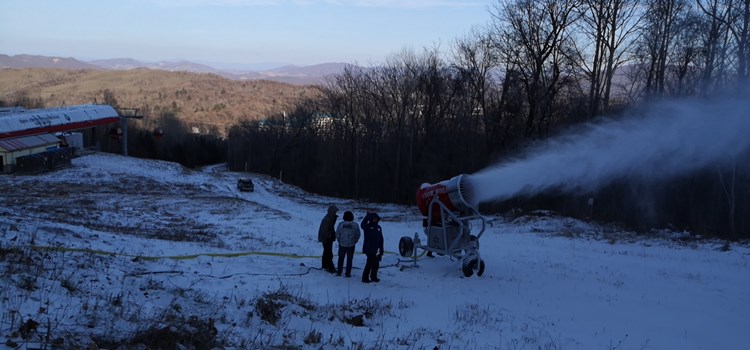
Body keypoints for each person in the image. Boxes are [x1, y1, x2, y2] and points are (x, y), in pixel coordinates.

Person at [335, 211, 361, 277]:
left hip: (342, 245)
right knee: (349, 259)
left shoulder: (340, 224)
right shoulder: (355, 225)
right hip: (351, 245)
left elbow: (337, 233)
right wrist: (355, 241)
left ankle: (339, 272)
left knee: (340, 258)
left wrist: (340, 241)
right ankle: (348, 273)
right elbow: (358, 234)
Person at [361, 212, 384, 283]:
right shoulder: (367, 227)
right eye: (374, 219)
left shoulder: (378, 228)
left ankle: (373, 276)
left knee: (374, 264)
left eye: (376, 219)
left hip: (375, 249)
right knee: (371, 263)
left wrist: (381, 251)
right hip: (368, 249)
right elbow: (362, 225)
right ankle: (365, 278)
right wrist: (367, 216)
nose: (375, 220)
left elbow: (381, 239)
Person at [318, 205, 338, 273]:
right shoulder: (327, 219)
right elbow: (324, 231)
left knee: (326, 252)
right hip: (326, 239)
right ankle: (331, 268)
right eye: (335, 212)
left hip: (327, 239)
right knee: (329, 253)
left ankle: (325, 266)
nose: (335, 213)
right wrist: (330, 237)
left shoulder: (330, 218)